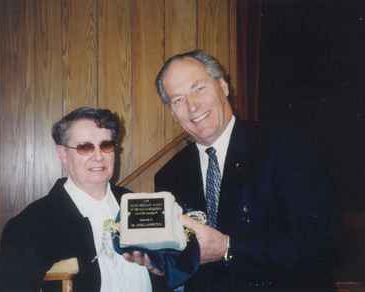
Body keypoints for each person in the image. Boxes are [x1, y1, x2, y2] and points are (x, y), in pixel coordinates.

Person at [130, 50, 334, 292]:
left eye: (199, 88)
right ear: (173, 113)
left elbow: (320, 243)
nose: (192, 106)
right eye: (178, 100)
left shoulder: (285, 146)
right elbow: (186, 264)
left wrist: (228, 247)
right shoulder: (170, 176)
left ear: (223, 86)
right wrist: (161, 267)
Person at [0, 107, 152, 292]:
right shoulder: (30, 225)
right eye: (85, 147)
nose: (98, 156)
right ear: (63, 154)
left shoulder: (138, 204)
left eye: (106, 145)